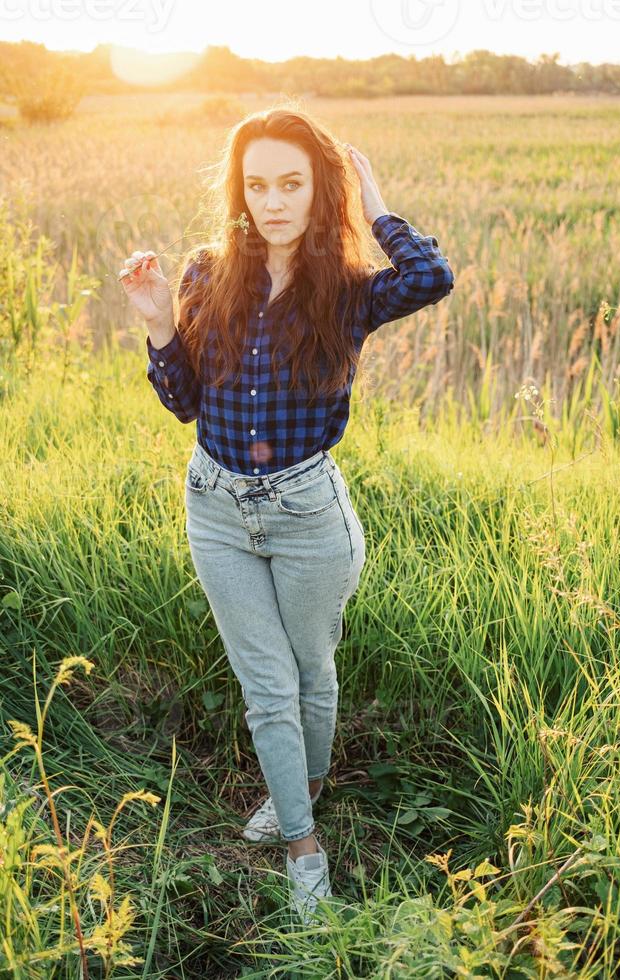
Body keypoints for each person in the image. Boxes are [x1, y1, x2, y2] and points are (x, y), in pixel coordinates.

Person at [119, 106, 454, 925]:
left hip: (308, 516)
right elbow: (186, 402)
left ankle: (296, 786)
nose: (273, 201)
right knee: (266, 686)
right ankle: (304, 843)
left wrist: (374, 204)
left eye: (292, 183)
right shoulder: (206, 272)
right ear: (240, 190)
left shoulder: (344, 289)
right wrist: (161, 321)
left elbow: (431, 277)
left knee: (312, 671)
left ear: (319, 189)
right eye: (257, 183)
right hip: (217, 509)